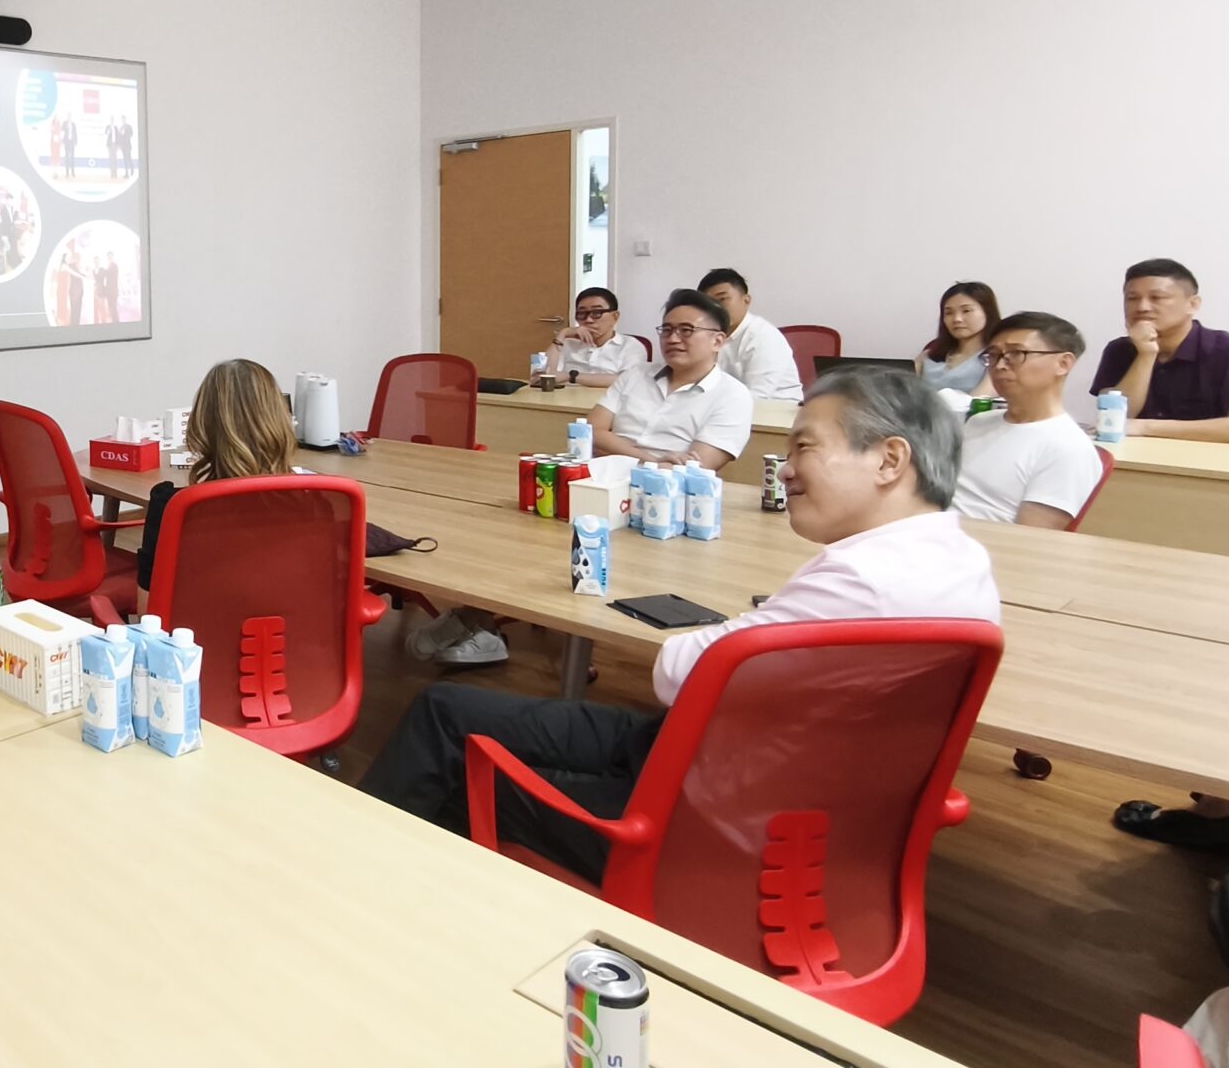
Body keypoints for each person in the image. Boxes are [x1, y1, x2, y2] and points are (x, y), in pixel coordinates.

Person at [361, 367, 999, 879]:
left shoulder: (860, 580)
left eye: (805, 446)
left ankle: (355, 887)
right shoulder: (962, 562)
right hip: (764, 778)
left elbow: (676, 673)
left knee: (448, 761)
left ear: (890, 460)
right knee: (446, 708)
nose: (786, 468)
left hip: (703, 821)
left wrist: (749, 625)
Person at [134, 360, 296, 590]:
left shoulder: (174, 507)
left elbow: (149, 608)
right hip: (290, 615)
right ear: (282, 420)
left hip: (199, 616)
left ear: (201, 424)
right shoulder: (319, 503)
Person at [1091, 258, 1229, 444]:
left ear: (1192, 304)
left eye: (1157, 297)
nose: (1142, 307)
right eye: (1132, 298)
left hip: (1212, 459)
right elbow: (1113, 422)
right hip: (1136, 457)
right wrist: (1145, 355)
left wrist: (1145, 427)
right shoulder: (1119, 350)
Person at [952, 312, 1106, 530]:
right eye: (994, 355)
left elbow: (1030, 540)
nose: (1000, 365)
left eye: (1016, 353)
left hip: (974, 545)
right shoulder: (979, 422)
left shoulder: (1068, 448)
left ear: (1063, 363)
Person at [584, 290, 755, 468]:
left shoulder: (732, 395)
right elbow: (588, 433)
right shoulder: (636, 374)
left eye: (686, 330)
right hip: (602, 477)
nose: (673, 339)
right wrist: (652, 461)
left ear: (717, 341)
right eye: (667, 330)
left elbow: (694, 469)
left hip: (664, 485)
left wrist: (618, 451)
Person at [697, 268, 803, 402]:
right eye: (709, 303)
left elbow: (757, 396)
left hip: (775, 411)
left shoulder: (763, 336)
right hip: (729, 407)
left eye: (722, 299)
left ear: (746, 300)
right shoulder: (707, 335)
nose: (716, 308)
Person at [916, 281, 999, 395]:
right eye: (949, 313)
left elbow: (979, 399)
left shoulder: (997, 358)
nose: (957, 319)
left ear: (987, 313)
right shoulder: (929, 355)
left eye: (966, 311)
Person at [552, 287, 645, 387]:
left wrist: (571, 376)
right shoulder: (568, 343)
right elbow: (546, 374)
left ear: (615, 316)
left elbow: (628, 380)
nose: (588, 320)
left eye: (597, 313)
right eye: (582, 313)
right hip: (566, 397)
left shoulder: (630, 345)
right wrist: (563, 334)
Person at [95, 251, 121, 325]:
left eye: (110, 256)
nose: (109, 258)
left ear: (113, 257)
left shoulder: (114, 265)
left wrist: (100, 269)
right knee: (111, 309)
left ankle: (116, 324)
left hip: (113, 292)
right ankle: (115, 323)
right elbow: (104, 275)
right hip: (110, 292)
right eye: (108, 257)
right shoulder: (110, 266)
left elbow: (108, 273)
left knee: (113, 309)